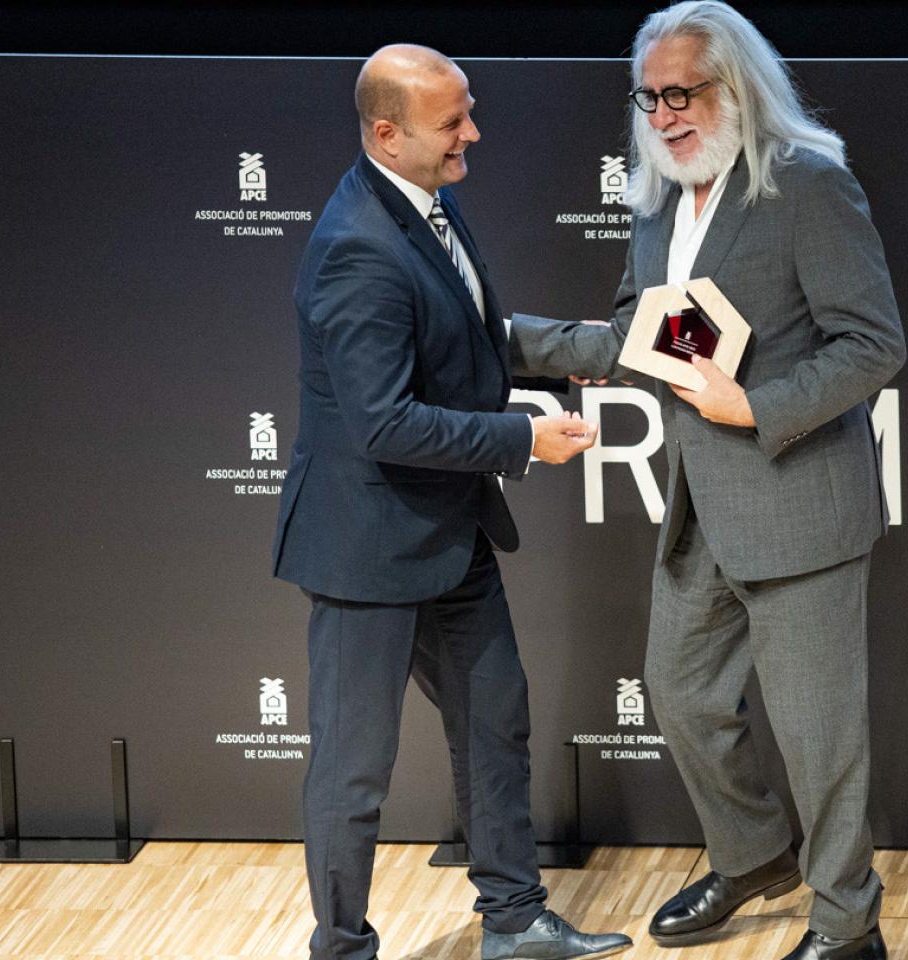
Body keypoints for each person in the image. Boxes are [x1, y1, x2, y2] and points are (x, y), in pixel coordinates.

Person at [507, 4, 905, 958]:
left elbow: (872, 344)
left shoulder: (807, 185)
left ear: (737, 87)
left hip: (799, 500)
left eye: (681, 94)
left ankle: (848, 924)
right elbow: (634, 338)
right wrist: (500, 338)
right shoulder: (658, 199)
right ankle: (755, 853)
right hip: (701, 505)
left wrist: (753, 406)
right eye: (648, 98)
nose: (664, 115)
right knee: (681, 696)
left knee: (818, 737)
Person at [271, 44, 632, 960]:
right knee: (355, 774)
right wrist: (524, 439)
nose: (473, 132)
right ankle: (341, 949)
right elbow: (385, 423)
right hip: (366, 550)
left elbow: (469, 335)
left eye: (468, 110)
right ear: (387, 134)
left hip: (449, 532)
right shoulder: (357, 249)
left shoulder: (428, 200)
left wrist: (587, 348)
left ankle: (513, 920)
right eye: (452, 121)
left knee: (495, 725)